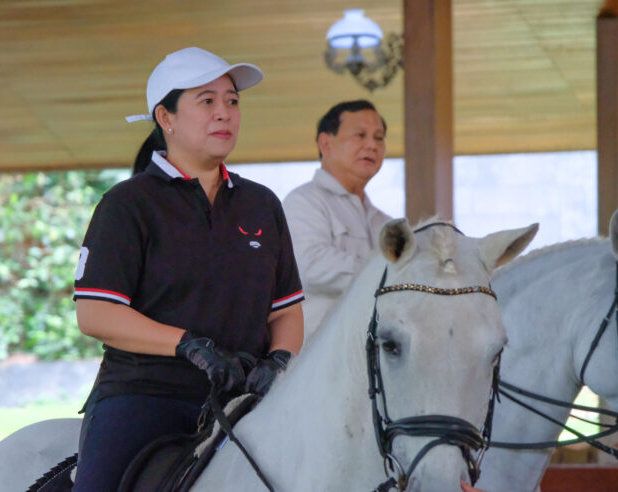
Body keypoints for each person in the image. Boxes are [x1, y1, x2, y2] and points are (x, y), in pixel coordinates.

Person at [71, 47, 304, 491]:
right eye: (207, 101)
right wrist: (189, 346)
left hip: (246, 400)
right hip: (146, 396)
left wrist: (278, 361)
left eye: (232, 101)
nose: (224, 113)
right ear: (166, 117)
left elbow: (286, 311)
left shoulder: (262, 204)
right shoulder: (127, 204)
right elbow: (96, 314)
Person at [282, 100, 391, 343]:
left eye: (379, 138)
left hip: (372, 355)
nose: (372, 145)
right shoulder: (304, 201)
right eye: (360, 135)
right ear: (326, 144)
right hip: (316, 353)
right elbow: (309, 265)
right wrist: (388, 273)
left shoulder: (385, 223)